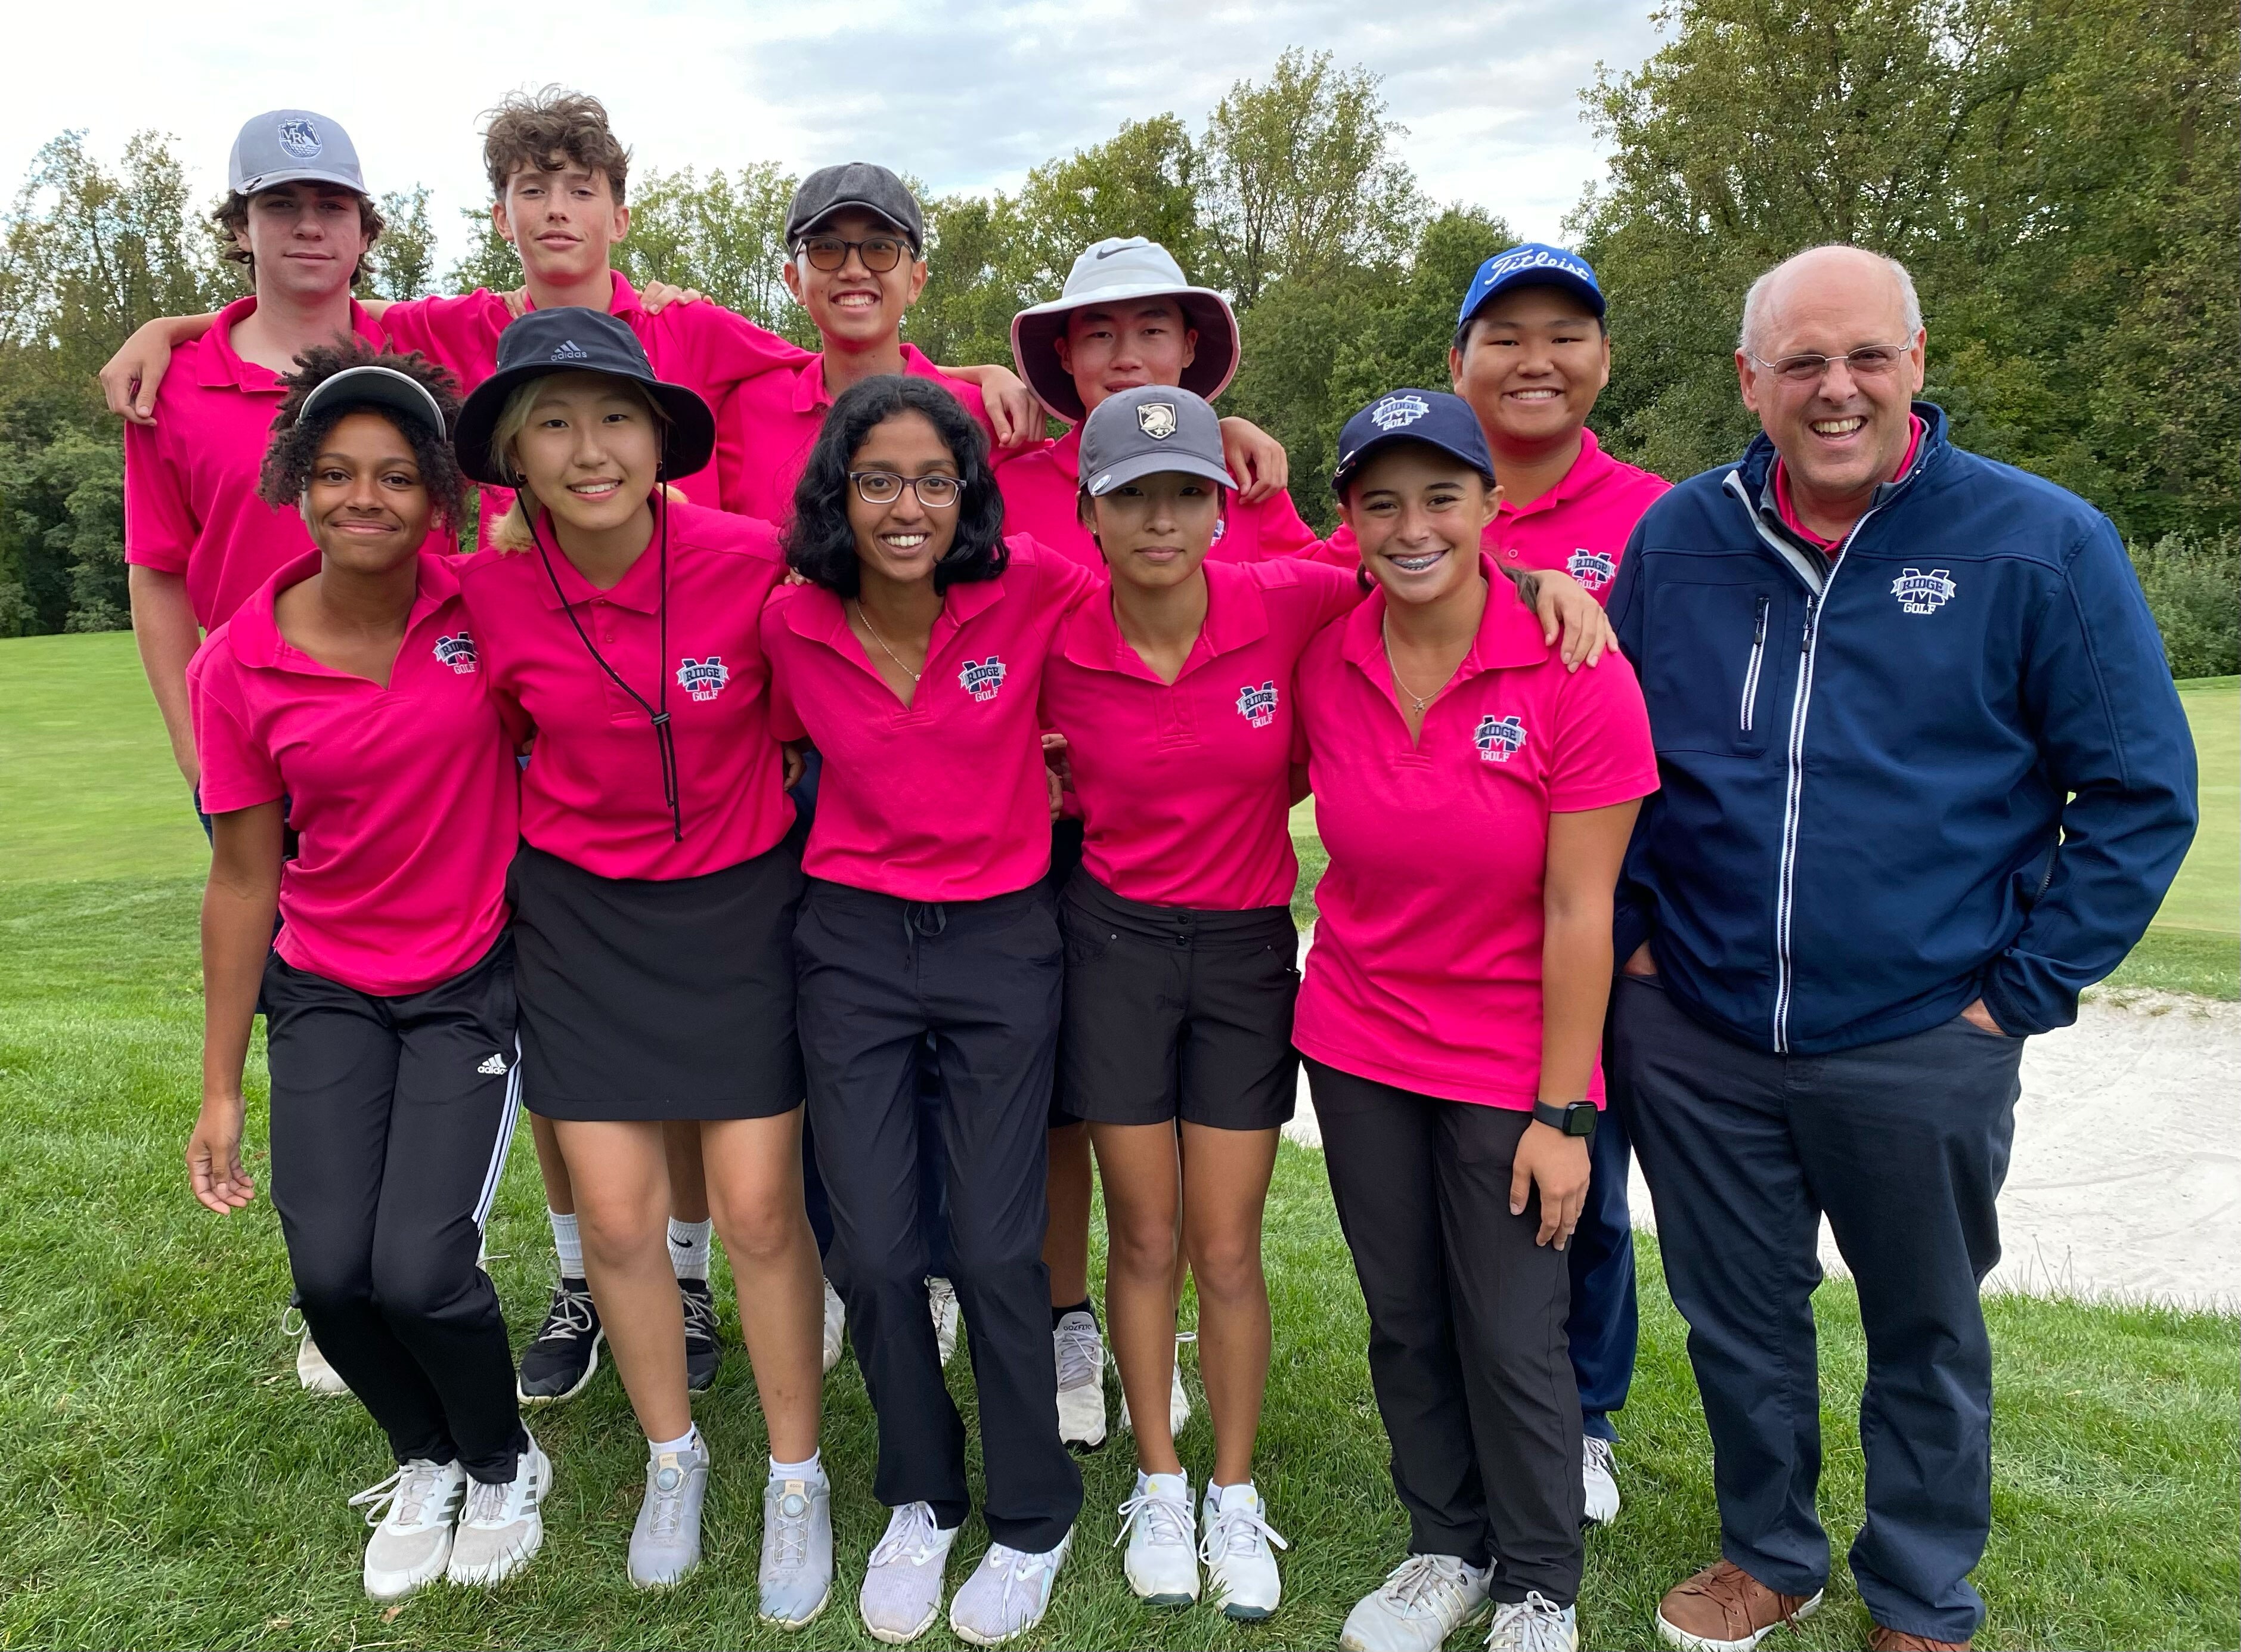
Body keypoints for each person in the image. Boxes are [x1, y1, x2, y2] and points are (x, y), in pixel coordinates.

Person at [1610, 246, 2199, 1652]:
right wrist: (1633, 948)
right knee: (1737, 1324)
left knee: (1923, 1334)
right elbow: (1610, 761)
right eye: (1800, 362)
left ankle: (1920, 1592)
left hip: (1924, 1033)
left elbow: (2134, 791)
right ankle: (1768, 1554)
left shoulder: (2037, 542)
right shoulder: (1678, 540)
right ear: (1749, 382)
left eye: (1863, 357)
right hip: (1698, 1030)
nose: (1834, 389)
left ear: (1915, 363)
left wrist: (2016, 997)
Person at [450, 307, 830, 1611]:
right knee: (613, 1217)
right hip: (580, 924)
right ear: (511, 451)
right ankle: (673, 1458)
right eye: (549, 422)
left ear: (659, 439)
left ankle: (796, 1476)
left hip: (739, 914)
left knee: (761, 1212)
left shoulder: (750, 559)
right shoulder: (486, 589)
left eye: (613, 416)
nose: (587, 448)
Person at [1295, 390, 1657, 1652]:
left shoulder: (1570, 665)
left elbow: (1579, 908)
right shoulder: (1323, 652)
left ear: (1488, 507)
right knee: (1404, 1316)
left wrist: (1565, 1113)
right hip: (1354, 1040)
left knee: (1511, 1330)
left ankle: (1537, 1581)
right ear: (1345, 519)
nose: (1411, 526)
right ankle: (1441, 1546)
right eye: (1380, 501)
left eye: (1440, 496)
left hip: (1509, 1059)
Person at [185, 344, 547, 1599]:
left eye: (398, 477)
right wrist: (220, 1085)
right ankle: (428, 1455)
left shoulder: (484, 609)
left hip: (470, 982)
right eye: (336, 473)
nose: (365, 499)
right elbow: (242, 879)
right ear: (296, 484)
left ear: (439, 499)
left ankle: (503, 1460)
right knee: (329, 1273)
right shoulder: (236, 662)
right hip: (329, 985)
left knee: (422, 1269)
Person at [761, 374, 1094, 1647]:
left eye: (934, 481)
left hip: (1001, 943)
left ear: (969, 495)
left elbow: (1223, 580)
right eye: (879, 480)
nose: (908, 506)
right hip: (848, 947)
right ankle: (921, 1493)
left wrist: (1518, 578)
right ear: (840, 493)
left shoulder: (1035, 589)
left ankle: (1031, 1511)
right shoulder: (790, 617)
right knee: (881, 1251)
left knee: (1002, 1248)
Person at [1002, 235, 1341, 1451]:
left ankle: (1194, 1387)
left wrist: (1529, 580)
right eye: (1094, 333)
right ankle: (1074, 1324)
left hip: (1230, 870)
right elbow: (902, 513)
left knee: (1207, 1210)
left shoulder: (1247, 500)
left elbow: (1401, 564)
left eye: (1148, 329)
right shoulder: (1014, 477)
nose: (1123, 351)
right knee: (1066, 1131)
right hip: (1079, 873)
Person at [1036, 384, 1354, 1616]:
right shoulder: (1058, 632)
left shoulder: (1287, 597)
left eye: (1183, 495)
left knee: (1225, 1244)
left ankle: (1230, 1494)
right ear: (1091, 512)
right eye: (1131, 496)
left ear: (1219, 510)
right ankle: (1157, 1485)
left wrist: (1541, 584)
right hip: (1110, 947)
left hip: (1237, 955)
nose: (1159, 519)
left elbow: (1418, 562)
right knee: (1148, 1232)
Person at [126, 106, 398, 1397]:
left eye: (329, 207)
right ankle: (331, 1282)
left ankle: (440, 1254)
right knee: (310, 1016)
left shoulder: (414, 356)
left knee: (456, 1004)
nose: (305, 227)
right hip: (258, 750)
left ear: (362, 231)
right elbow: (161, 578)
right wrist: (196, 757)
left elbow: (591, 306)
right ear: (237, 230)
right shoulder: (172, 381)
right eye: (278, 207)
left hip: (419, 749)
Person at [1440, 242, 1672, 1524]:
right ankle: (1489, 1403)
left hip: (1595, 922)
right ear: (1457, 361)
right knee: (1469, 1197)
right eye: (1505, 335)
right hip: (1444, 938)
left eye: (1563, 334)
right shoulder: (1410, 498)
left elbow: (1692, 739)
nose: (1535, 360)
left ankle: (1582, 1416)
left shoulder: (1659, 513)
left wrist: (1653, 925)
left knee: (1582, 1177)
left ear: (1599, 358)